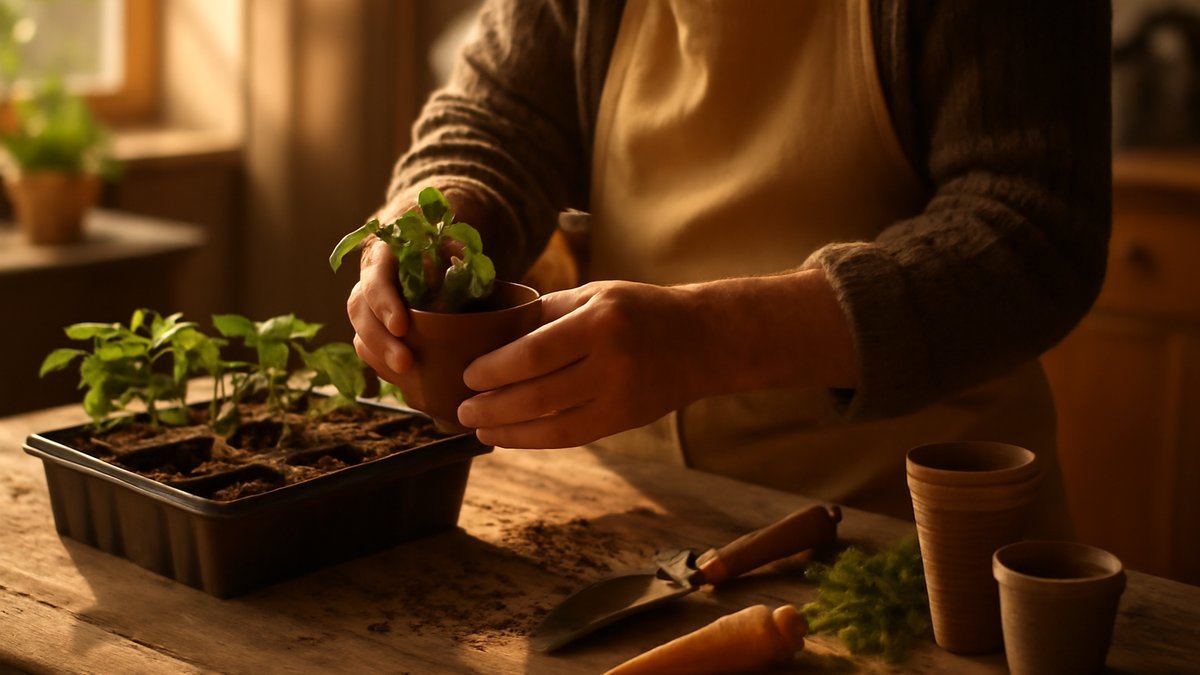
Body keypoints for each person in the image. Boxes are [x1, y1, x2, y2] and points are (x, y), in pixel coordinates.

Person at [347, 0, 1111, 532]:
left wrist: (710, 337)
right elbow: (498, 116)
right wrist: (433, 216)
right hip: (633, 516)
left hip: (910, 531)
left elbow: (1031, 229)